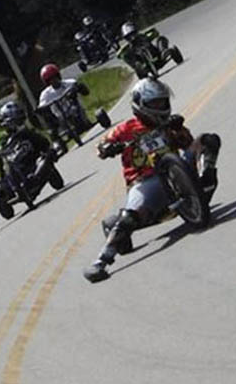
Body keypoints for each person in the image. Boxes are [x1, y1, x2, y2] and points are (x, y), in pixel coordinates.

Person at [83, 78, 221, 282]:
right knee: (129, 216)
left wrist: (179, 129)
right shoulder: (126, 128)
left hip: (177, 171)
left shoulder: (168, 124)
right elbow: (101, 146)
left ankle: (205, 178)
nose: (160, 107)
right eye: (154, 103)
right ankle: (101, 261)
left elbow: (187, 144)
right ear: (140, 104)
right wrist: (108, 148)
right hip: (145, 182)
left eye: (162, 102)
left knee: (208, 140)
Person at [0, 101, 54, 236]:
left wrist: (47, 151)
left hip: (31, 168)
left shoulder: (28, 134)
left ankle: (35, 182)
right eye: (13, 121)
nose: (16, 124)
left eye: (18, 120)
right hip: (10, 176)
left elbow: (45, 144)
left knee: (45, 160)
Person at [38, 63, 92, 152]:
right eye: (50, 79)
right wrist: (42, 110)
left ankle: (84, 122)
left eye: (54, 77)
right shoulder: (45, 95)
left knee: (76, 109)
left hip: (74, 109)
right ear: (47, 82)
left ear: (58, 76)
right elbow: (42, 107)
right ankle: (57, 141)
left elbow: (84, 90)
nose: (53, 81)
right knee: (51, 126)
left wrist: (77, 89)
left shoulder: (70, 83)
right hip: (60, 117)